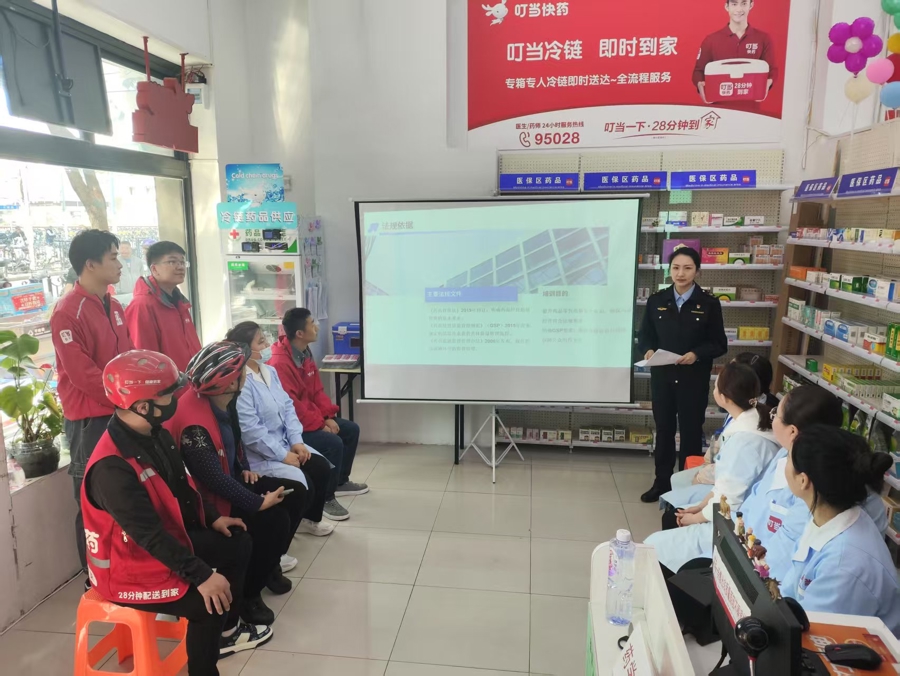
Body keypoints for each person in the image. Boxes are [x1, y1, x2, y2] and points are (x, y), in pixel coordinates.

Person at [81, 350, 272, 675]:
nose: (177, 399)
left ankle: (227, 634)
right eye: (169, 394)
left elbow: (182, 487)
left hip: (157, 547)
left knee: (238, 543)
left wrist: (212, 517)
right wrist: (203, 576)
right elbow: (149, 537)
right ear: (143, 406)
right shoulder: (111, 469)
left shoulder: (154, 433)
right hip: (129, 570)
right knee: (208, 605)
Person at [168, 341, 333, 624]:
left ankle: (269, 564)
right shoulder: (195, 424)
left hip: (231, 482)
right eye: (242, 372)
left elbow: (236, 441)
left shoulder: (223, 401)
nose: (247, 374)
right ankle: (249, 595)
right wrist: (257, 502)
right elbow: (213, 479)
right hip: (208, 505)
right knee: (274, 520)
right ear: (230, 383)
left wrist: (243, 468)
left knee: (296, 494)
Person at [741, 386, 889, 582]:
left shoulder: (823, 486)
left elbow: (785, 558)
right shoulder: (792, 456)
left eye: (775, 413)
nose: (771, 416)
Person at [51, 229, 134, 577]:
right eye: (113, 257)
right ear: (90, 264)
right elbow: (83, 374)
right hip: (91, 420)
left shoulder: (114, 305)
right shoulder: (67, 311)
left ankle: (126, 570)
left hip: (122, 412)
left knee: (125, 492)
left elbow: (127, 357)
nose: (120, 264)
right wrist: (125, 400)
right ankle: (94, 576)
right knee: (91, 498)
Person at [645, 362, 780, 573]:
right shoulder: (752, 420)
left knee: (653, 546)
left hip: (735, 526)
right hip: (729, 512)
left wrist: (695, 518)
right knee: (670, 523)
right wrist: (700, 507)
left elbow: (728, 500)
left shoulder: (745, 442)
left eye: (716, 386)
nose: (713, 390)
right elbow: (724, 488)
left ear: (724, 397)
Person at [781, 426, 900, 635]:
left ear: (803, 480)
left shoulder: (845, 566)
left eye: (788, 458)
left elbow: (812, 637)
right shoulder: (829, 516)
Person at [226, 321, 336, 534]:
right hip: (261, 454)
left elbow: (288, 407)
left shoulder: (269, 371)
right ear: (245, 350)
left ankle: (309, 521)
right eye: (261, 342)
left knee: (320, 467)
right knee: (304, 484)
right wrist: (283, 455)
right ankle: (288, 531)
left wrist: (296, 441)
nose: (267, 345)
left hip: (285, 442)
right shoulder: (242, 383)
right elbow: (251, 431)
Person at [637, 246, 727, 502]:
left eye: (687, 268)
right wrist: (648, 350)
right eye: (676, 268)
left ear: (697, 271)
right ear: (669, 270)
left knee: (690, 432)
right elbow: (645, 336)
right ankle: (662, 483)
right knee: (664, 430)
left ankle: (688, 486)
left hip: (693, 379)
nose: (681, 273)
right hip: (663, 378)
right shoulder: (657, 301)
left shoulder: (709, 303)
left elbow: (719, 344)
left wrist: (697, 354)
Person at [269, 308, 367, 522]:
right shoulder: (280, 363)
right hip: (292, 427)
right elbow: (292, 407)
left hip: (309, 418)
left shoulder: (304, 352)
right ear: (299, 333)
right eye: (312, 323)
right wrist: (320, 424)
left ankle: (340, 482)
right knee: (333, 443)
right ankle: (326, 498)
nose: (317, 326)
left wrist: (328, 416)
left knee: (350, 430)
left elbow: (316, 391)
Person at [670, 352, 774, 491]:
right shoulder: (749, 409)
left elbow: (731, 485)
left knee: (679, 486)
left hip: (731, 490)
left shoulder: (746, 437)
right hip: (725, 478)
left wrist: (701, 478)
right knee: (678, 481)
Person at [124, 241, 201, 372]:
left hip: (189, 380)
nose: (180, 267)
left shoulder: (179, 302)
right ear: (154, 269)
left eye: (182, 262)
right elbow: (144, 360)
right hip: (169, 383)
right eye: (172, 262)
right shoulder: (142, 305)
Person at [692, 0, 777, 104]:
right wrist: (700, 85)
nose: (739, 9)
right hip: (720, 106)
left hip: (751, 107)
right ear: (727, 6)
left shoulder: (763, 39)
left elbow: (772, 70)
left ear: (751, 5)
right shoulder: (711, 40)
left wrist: (768, 82)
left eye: (744, 3)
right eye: (734, 4)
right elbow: (698, 71)